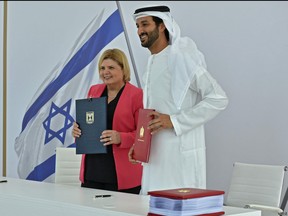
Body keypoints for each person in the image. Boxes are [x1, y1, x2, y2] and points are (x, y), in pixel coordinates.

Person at [128, 5, 229, 195]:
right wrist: (140, 143)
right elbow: (152, 114)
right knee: (152, 205)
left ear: (162, 26)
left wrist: (174, 121)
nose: (140, 31)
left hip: (180, 158)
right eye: (137, 26)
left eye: (145, 24)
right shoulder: (150, 63)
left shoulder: (182, 58)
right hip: (154, 159)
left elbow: (218, 98)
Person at [72, 48, 143, 194]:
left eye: (111, 67)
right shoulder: (94, 90)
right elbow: (88, 122)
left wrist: (121, 137)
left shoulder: (137, 95)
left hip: (121, 173)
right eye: (102, 68)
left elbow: (143, 135)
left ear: (124, 70)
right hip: (92, 169)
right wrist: (78, 130)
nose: (105, 72)